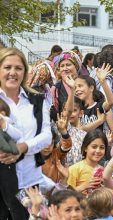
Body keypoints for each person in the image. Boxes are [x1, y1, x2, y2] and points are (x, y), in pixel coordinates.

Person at [0, 48, 52, 219]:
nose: (13, 73)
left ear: (25, 72)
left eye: (18, 68)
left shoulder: (36, 100)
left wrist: (23, 147)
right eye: (7, 67)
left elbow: (46, 136)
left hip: (30, 181)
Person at [67, 129, 107, 195]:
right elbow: (66, 194)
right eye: (94, 147)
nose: (98, 151)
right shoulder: (74, 169)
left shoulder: (104, 171)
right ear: (85, 148)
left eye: (102, 147)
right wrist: (84, 186)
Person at [75, 66, 113, 131]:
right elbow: (79, 129)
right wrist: (98, 121)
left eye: (80, 86)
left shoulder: (99, 106)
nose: (77, 89)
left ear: (91, 88)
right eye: (75, 88)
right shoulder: (77, 109)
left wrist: (103, 82)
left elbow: (111, 102)